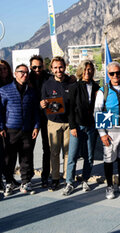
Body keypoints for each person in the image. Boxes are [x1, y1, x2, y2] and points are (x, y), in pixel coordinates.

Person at [94, 61, 120, 199]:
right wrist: (102, 134)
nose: (115, 75)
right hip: (110, 131)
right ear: (108, 74)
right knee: (109, 160)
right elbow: (97, 112)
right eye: (112, 73)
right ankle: (109, 186)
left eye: (118, 72)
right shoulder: (102, 91)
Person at [0, 64, 40, 196]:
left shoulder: (32, 91)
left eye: (26, 72)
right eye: (21, 72)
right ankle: (9, 182)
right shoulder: (4, 90)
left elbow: (36, 111)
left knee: (26, 157)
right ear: (15, 74)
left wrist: (36, 126)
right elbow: (0, 111)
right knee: (9, 158)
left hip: (27, 129)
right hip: (11, 129)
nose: (24, 74)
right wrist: (1, 127)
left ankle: (25, 182)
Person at [63, 60, 100, 195]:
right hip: (77, 126)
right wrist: (72, 126)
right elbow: (70, 109)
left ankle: (85, 179)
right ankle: (69, 182)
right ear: (80, 71)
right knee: (72, 156)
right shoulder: (74, 87)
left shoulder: (97, 87)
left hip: (91, 126)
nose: (87, 72)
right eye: (84, 70)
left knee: (89, 156)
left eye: (89, 69)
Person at [40, 56, 75, 191]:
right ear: (51, 69)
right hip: (53, 123)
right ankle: (55, 178)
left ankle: (67, 178)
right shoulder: (47, 84)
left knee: (68, 152)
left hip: (68, 123)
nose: (58, 70)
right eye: (55, 68)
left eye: (60, 67)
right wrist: (42, 104)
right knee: (54, 152)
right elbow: (42, 102)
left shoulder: (71, 83)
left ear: (65, 67)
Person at [29, 55, 51, 188]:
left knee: (47, 149)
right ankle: (28, 177)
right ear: (30, 67)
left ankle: (45, 176)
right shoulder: (26, 79)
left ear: (43, 66)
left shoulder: (49, 77)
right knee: (28, 149)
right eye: (34, 67)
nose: (37, 69)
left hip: (46, 118)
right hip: (31, 119)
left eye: (39, 67)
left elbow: (62, 81)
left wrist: (72, 79)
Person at [0, 60, 14, 193]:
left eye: (5, 69)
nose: (2, 72)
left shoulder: (13, 83)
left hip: (11, 124)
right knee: (0, 153)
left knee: (10, 153)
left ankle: (9, 177)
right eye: (0, 69)